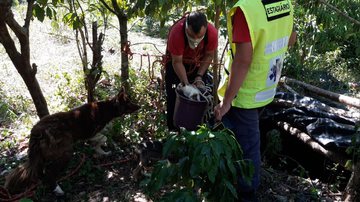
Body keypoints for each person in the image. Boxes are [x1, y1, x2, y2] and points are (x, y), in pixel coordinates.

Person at [214, 0, 296, 200]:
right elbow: (291, 38)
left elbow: (243, 60)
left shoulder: (247, 10)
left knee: (249, 145)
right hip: (266, 87)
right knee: (236, 136)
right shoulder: (284, 3)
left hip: (246, 93)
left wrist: (226, 102)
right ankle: (228, 177)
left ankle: (247, 193)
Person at [165, 11, 218, 130]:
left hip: (197, 65)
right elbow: (176, 62)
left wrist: (199, 76)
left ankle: (196, 131)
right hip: (176, 64)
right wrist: (186, 84)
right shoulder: (176, 32)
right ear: (186, 27)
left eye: (199, 37)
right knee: (175, 96)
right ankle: (174, 131)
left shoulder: (212, 33)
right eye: (192, 36)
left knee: (199, 98)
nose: (195, 39)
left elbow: (209, 55)